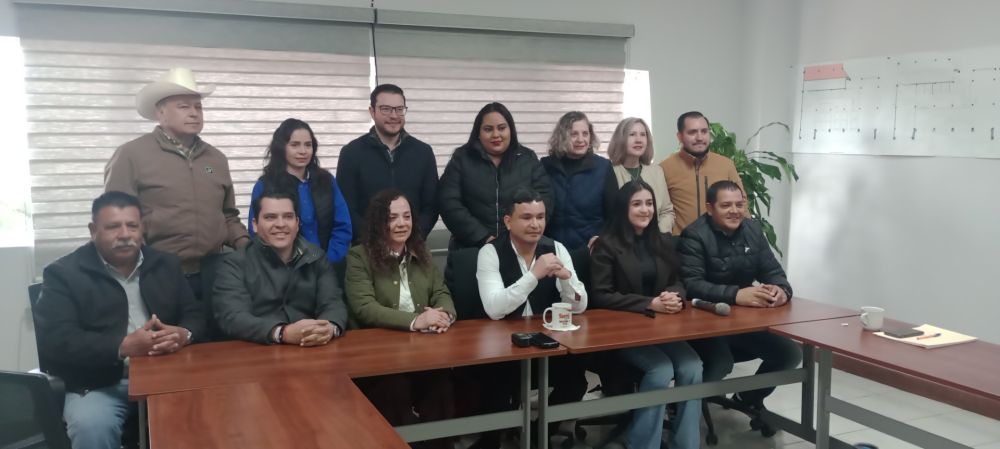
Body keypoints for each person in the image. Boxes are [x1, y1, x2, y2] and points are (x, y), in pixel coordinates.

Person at [34, 191, 205, 449]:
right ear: (93, 231)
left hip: (168, 375)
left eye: (132, 226)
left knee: (213, 411)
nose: (125, 234)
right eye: (113, 227)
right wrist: (122, 346)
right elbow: (56, 340)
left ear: (142, 228)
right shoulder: (63, 274)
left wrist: (184, 333)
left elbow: (195, 313)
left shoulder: (165, 264)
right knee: (91, 427)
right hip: (99, 384)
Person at [105, 68, 248, 300]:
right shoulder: (131, 155)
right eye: (184, 106)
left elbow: (228, 215)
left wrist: (247, 247)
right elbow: (115, 221)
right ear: (161, 113)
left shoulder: (215, 160)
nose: (194, 113)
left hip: (215, 274)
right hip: (157, 274)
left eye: (198, 107)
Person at [589, 180, 702, 449]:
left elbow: (678, 280)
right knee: (660, 369)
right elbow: (601, 295)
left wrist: (674, 296)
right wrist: (650, 303)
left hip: (661, 328)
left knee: (692, 365)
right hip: (622, 332)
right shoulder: (606, 245)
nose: (645, 209)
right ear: (623, 208)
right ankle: (642, 443)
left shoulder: (662, 241)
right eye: (637, 204)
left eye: (649, 203)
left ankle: (686, 443)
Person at [473, 188, 588, 448]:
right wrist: (534, 275)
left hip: (546, 344)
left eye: (540, 217)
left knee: (575, 380)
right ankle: (491, 439)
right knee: (496, 387)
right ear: (508, 221)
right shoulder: (489, 252)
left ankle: (539, 435)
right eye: (526, 217)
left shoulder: (556, 248)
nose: (535, 224)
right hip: (502, 348)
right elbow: (494, 308)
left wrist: (567, 280)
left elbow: (579, 306)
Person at [677, 180, 801, 419]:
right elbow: (692, 285)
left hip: (741, 323)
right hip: (704, 324)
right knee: (720, 362)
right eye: (726, 205)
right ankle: (681, 411)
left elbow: (773, 272)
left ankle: (747, 398)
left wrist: (781, 291)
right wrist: (736, 294)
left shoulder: (752, 230)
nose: (734, 211)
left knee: (789, 354)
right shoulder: (694, 235)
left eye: (739, 204)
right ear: (710, 208)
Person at [345, 189, 456, 449]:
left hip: (423, 352)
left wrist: (444, 315)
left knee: (441, 384)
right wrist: (417, 321)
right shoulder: (359, 257)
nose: (401, 223)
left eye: (407, 216)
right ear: (378, 222)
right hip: (378, 357)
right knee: (394, 389)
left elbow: (441, 292)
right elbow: (364, 308)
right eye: (392, 218)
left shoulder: (421, 251)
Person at [213, 189, 347, 345]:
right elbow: (233, 317)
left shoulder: (316, 257)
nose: (281, 224)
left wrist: (329, 328)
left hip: (311, 346)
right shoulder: (234, 263)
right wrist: (282, 333)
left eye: (288, 217)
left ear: (297, 223)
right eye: (270, 217)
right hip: (258, 350)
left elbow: (333, 303)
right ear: (255, 224)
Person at [438, 102, 552, 249]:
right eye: (488, 129)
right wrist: (483, 238)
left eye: (502, 128)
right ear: (478, 133)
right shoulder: (461, 159)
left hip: (519, 248)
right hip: (471, 247)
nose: (496, 135)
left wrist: (517, 236)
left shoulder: (528, 159)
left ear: (511, 130)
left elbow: (545, 198)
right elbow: (449, 203)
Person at [337, 84, 439, 240]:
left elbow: (431, 206)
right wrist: (373, 240)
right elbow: (346, 208)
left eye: (399, 109)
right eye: (386, 109)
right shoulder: (351, 153)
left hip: (413, 245)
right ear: (372, 112)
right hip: (366, 246)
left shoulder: (423, 152)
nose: (394, 115)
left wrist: (412, 239)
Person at [249, 118, 351, 264]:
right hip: (283, 268)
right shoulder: (265, 185)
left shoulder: (327, 181)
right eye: (295, 145)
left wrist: (328, 261)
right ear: (281, 147)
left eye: (308, 145)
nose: (303, 151)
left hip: (328, 265)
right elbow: (258, 233)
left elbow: (343, 226)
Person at [660, 111, 744, 235]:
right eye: (692, 132)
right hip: (681, 242)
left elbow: (742, 201)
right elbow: (662, 210)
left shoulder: (726, 165)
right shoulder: (665, 168)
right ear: (680, 136)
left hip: (721, 241)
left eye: (704, 131)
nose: (700, 137)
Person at [540, 111, 612, 251]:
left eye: (585, 134)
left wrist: (601, 241)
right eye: (574, 134)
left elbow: (614, 215)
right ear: (562, 136)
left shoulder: (604, 168)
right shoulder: (545, 166)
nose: (580, 139)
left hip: (591, 251)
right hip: (552, 250)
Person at [603, 117, 675, 234]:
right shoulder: (608, 171)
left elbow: (667, 211)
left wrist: (656, 236)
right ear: (620, 139)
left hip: (656, 240)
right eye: (632, 134)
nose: (639, 140)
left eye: (643, 135)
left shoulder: (656, 171)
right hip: (621, 240)